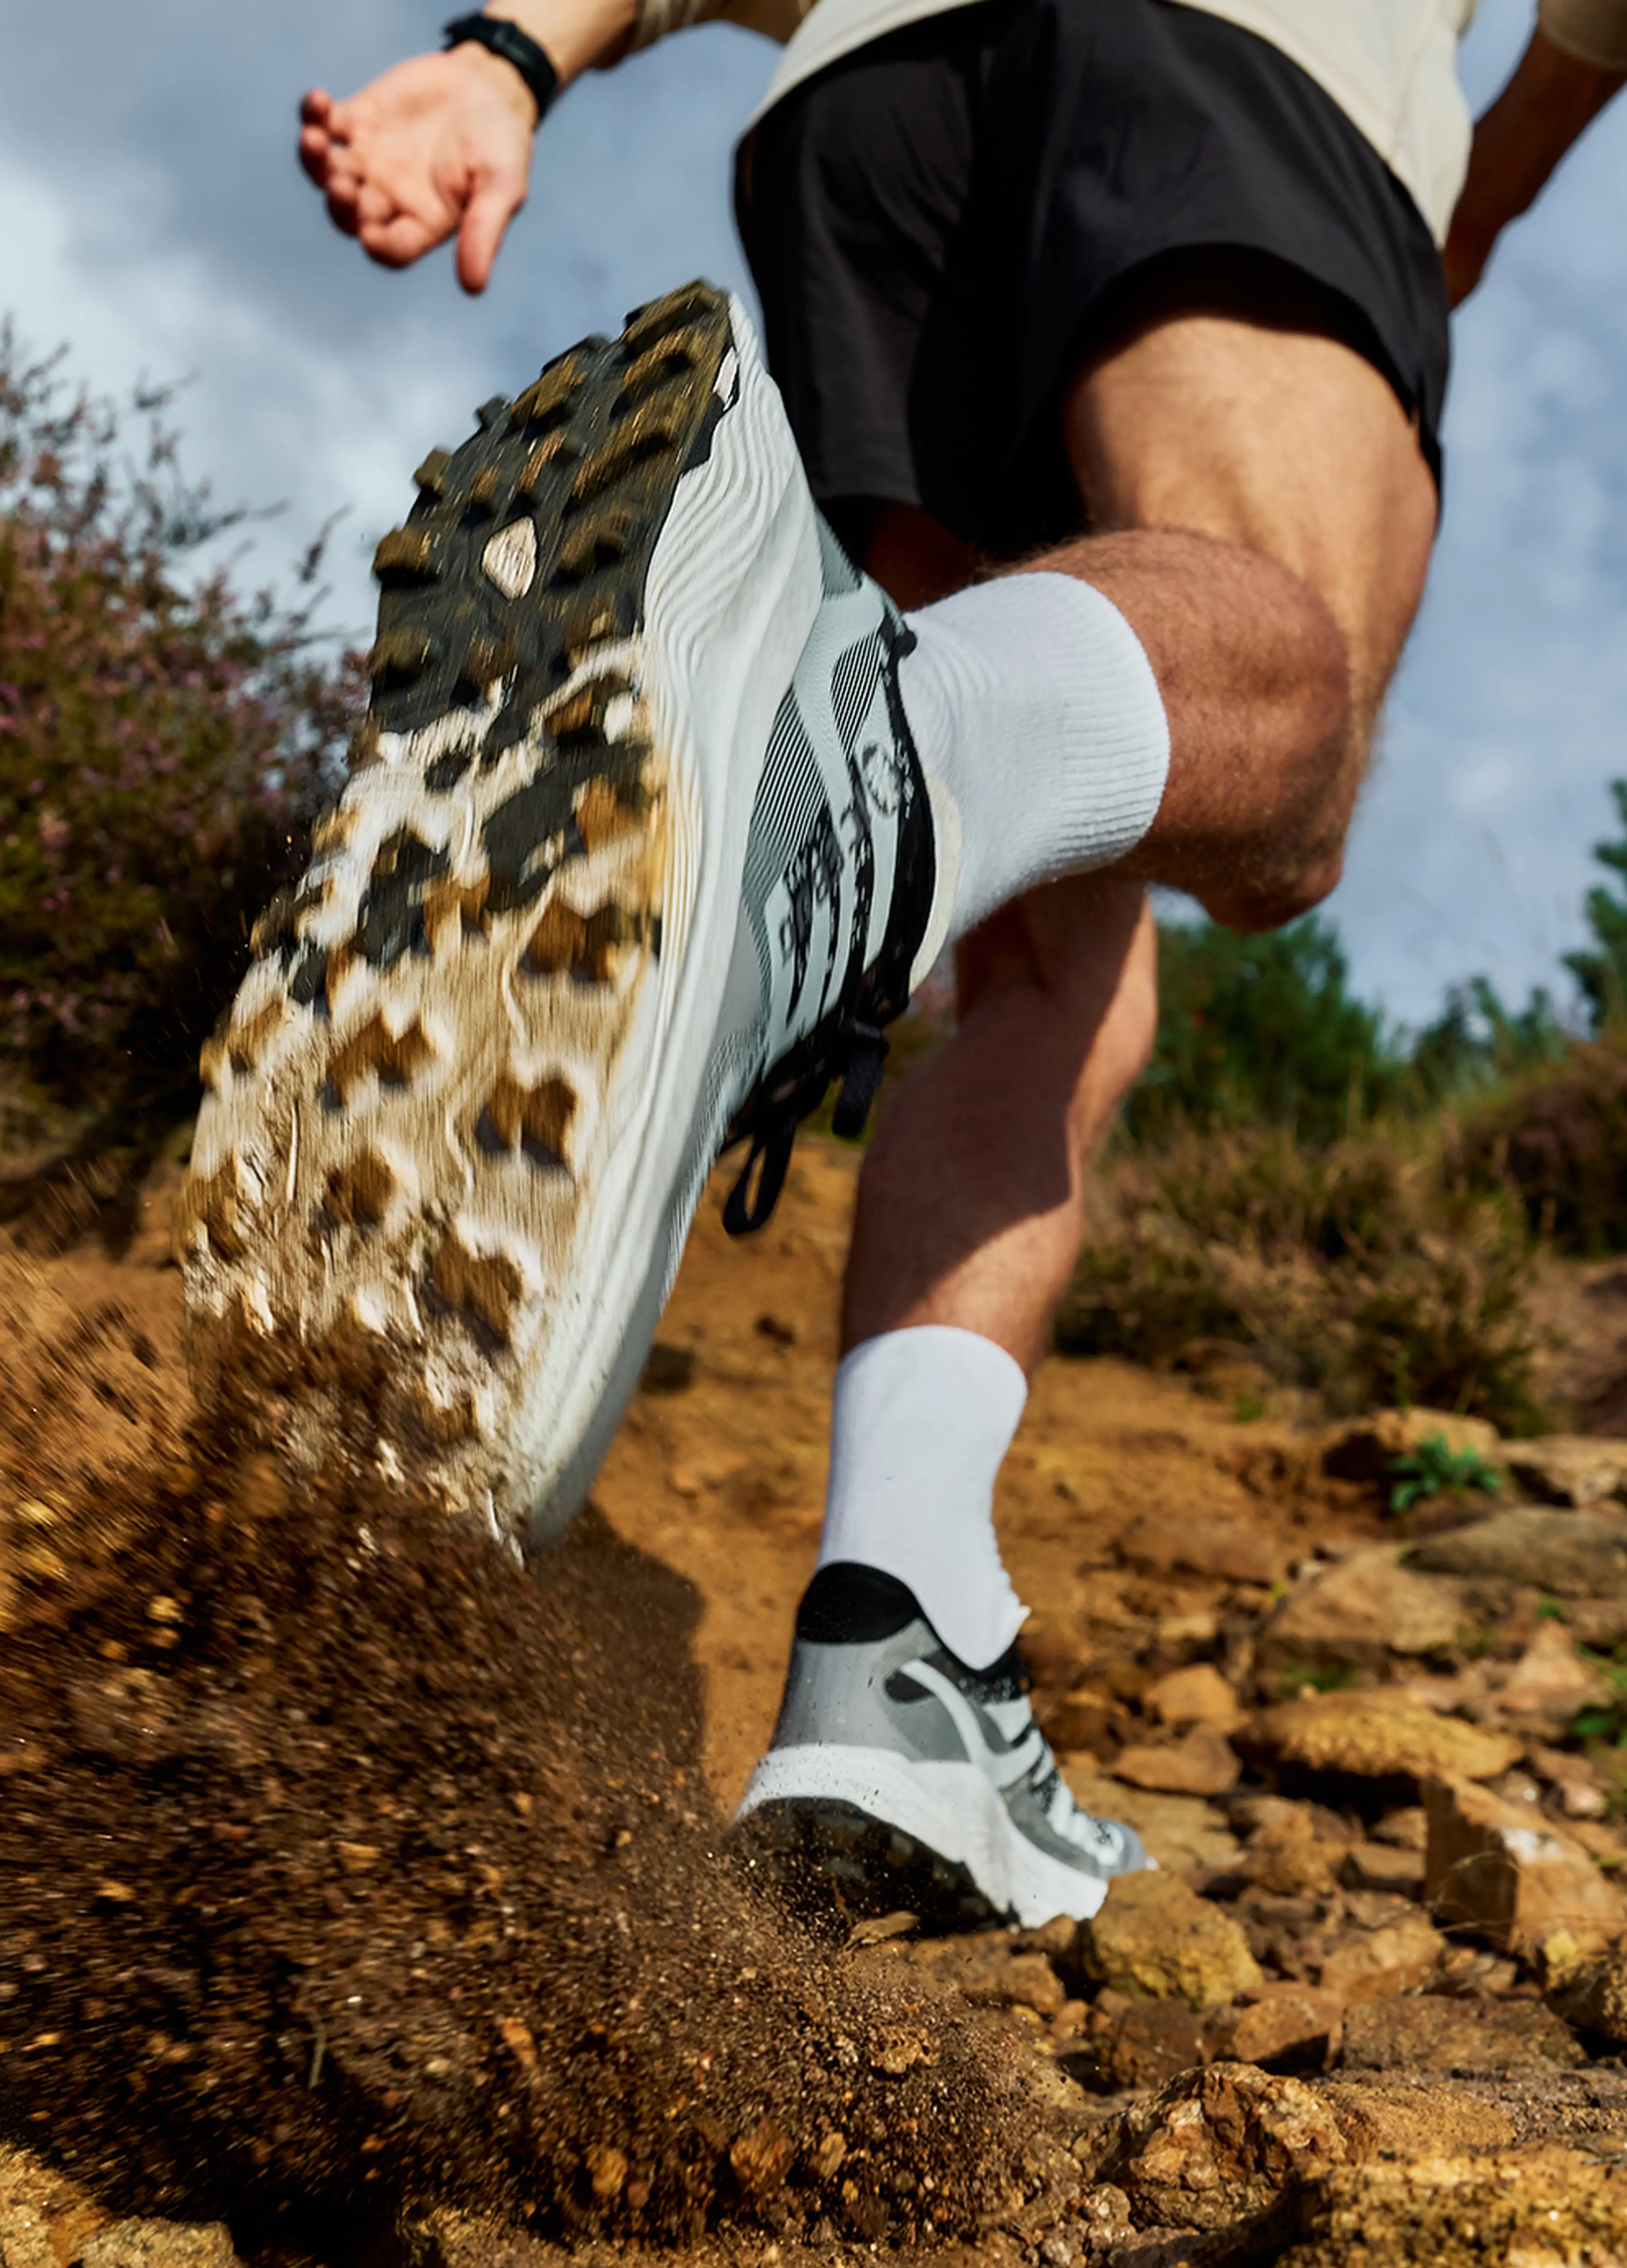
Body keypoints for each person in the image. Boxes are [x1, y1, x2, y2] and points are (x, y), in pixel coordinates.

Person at [182, 0, 1624, 1933]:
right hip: (1242, 73)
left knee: (1045, 925)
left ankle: (902, 1641)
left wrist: (505, 58)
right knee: (1284, 721)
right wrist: (1445, 230)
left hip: (862, 119)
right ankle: (833, 774)